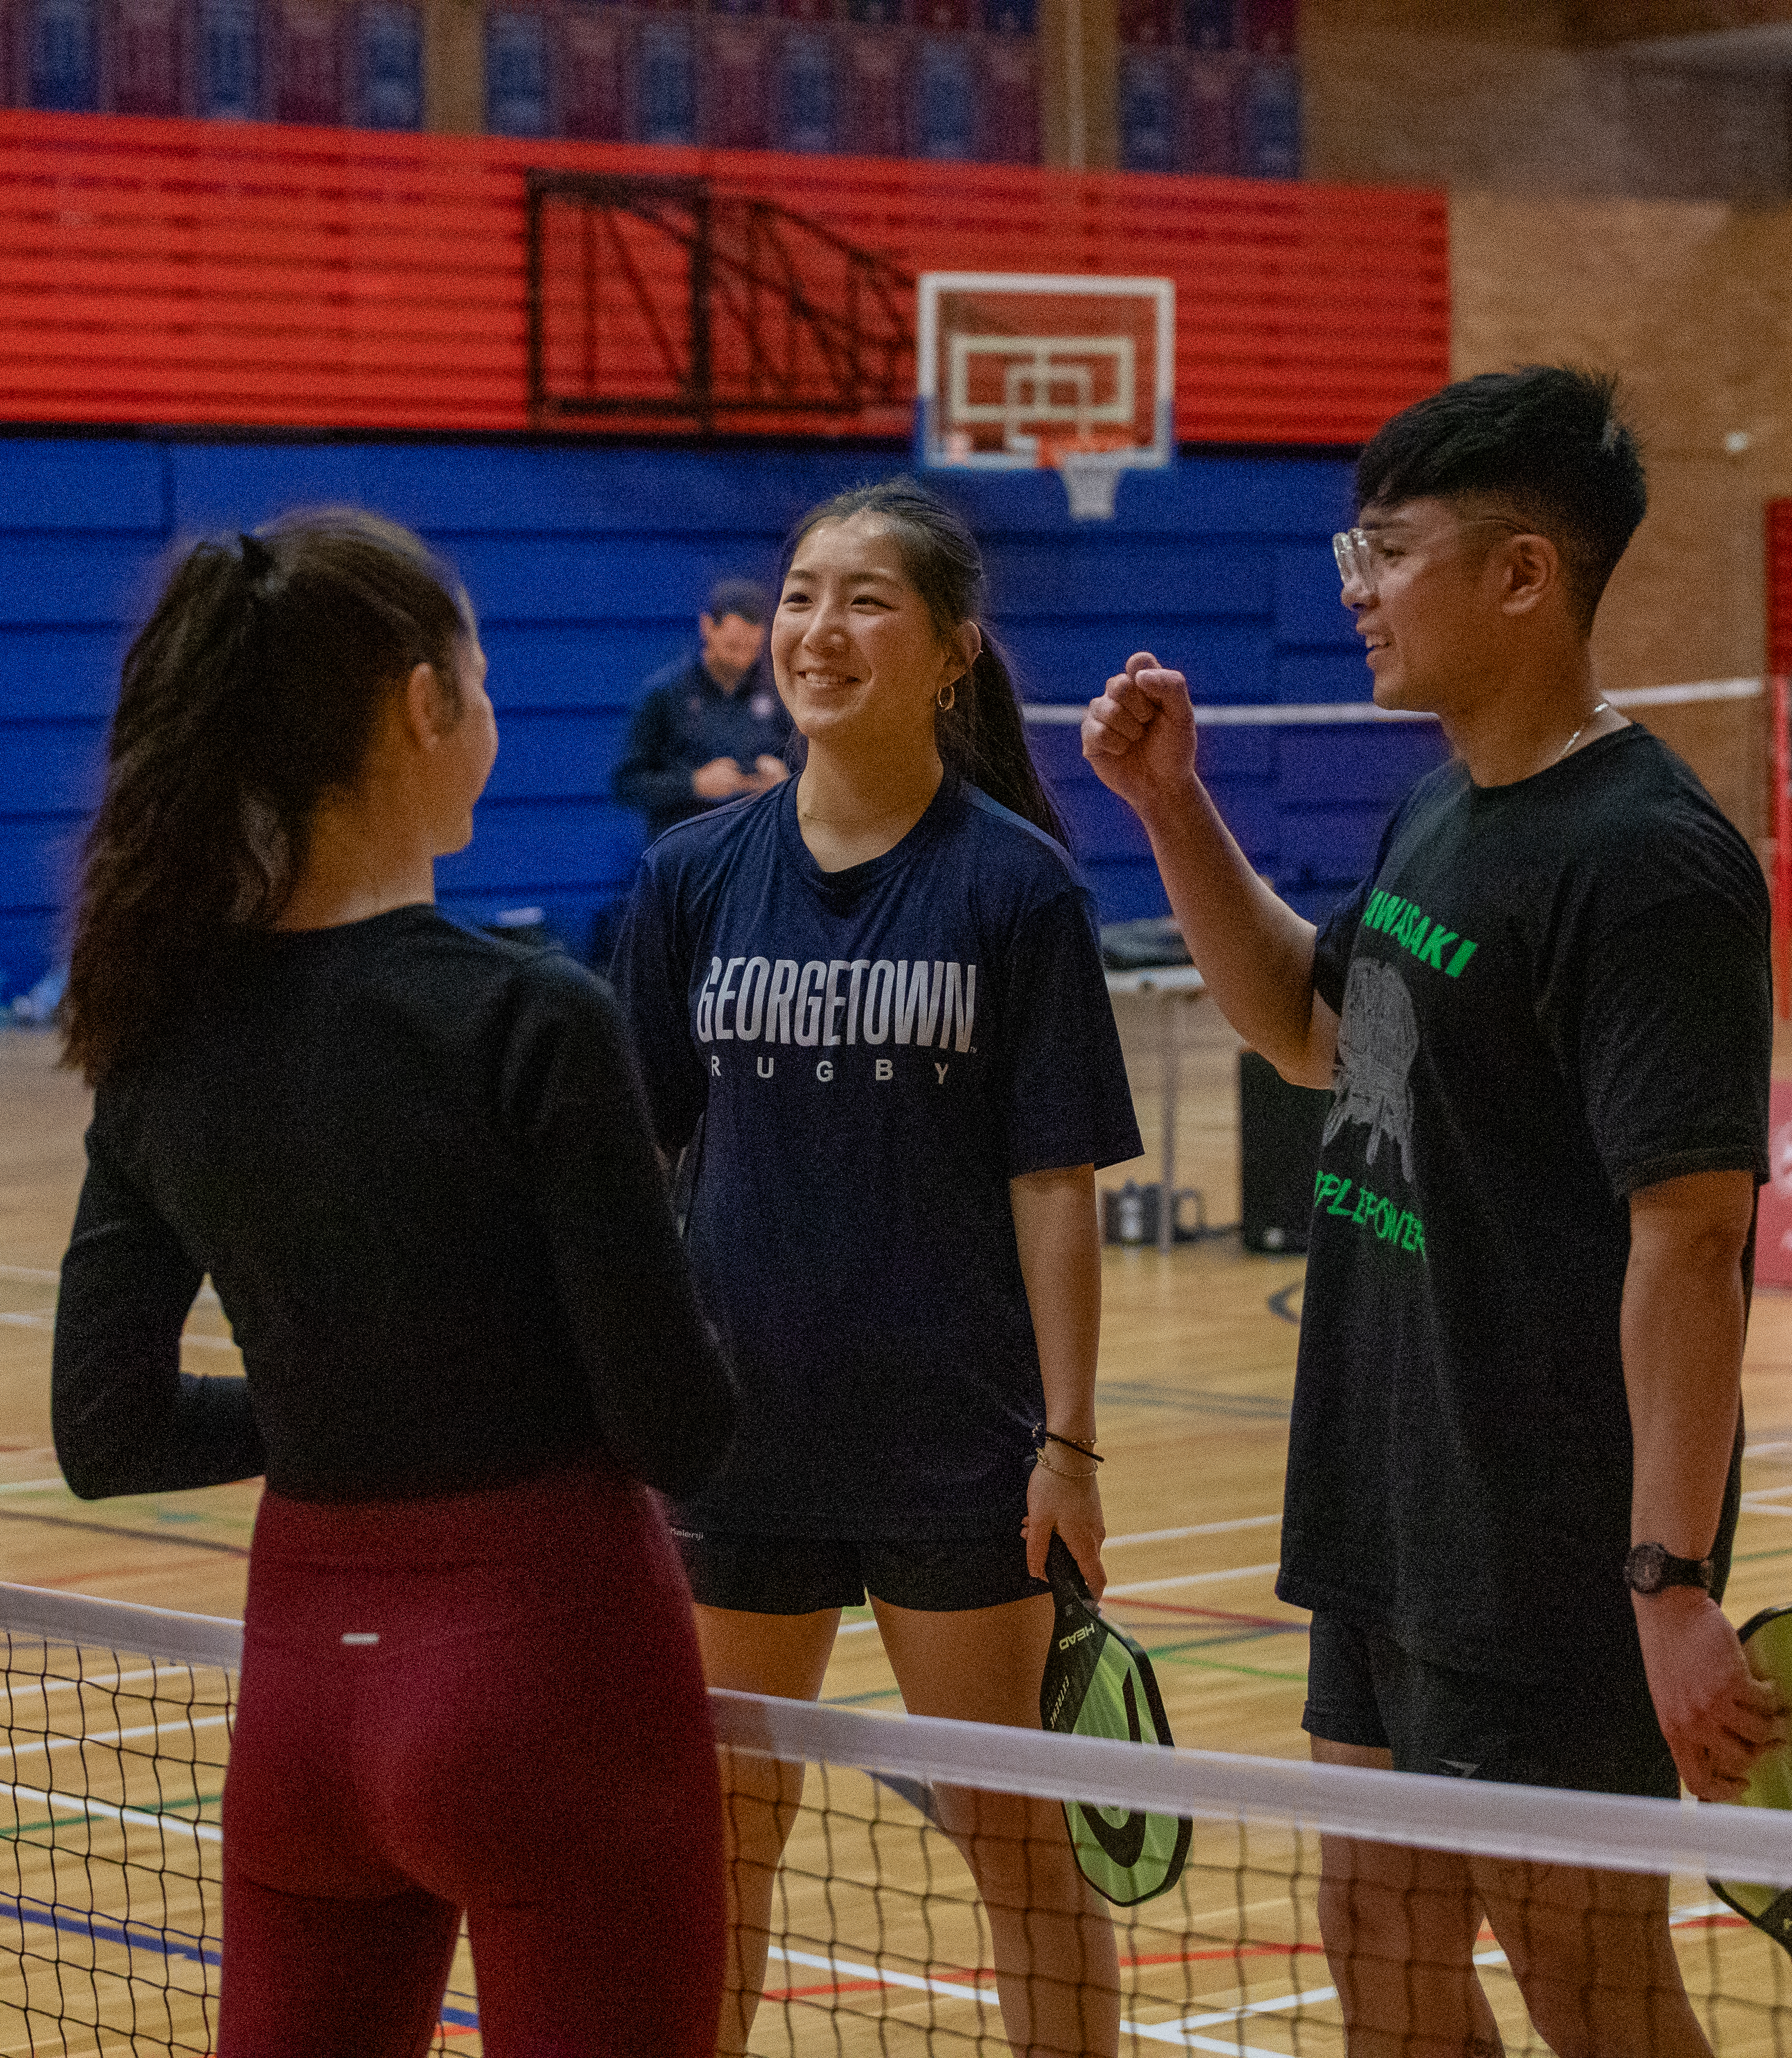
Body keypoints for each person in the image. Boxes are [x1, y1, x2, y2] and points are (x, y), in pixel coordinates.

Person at [1081, 367, 1787, 2058]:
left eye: (1387, 553)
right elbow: (1318, 1036)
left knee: (1590, 1985)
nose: (1355, 588)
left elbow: (1693, 1235)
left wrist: (1672, 1573)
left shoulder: (1651, 862)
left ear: (1523, 576)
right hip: (1387, 1486)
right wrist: (1174, 811)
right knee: (1381, 1933)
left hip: (1545, 1526)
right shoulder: (1448, 805)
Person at [50, 509, 739, 2055]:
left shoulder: (158, 1043)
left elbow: (110, 1431)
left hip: (305, 1702)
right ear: (426, 705)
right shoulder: (531, 1018)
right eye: (481, 684)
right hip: (553, 1676)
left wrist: (319, 1401)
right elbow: (669, 1425)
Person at [616, 478, 1141, 2058]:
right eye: (799, 594)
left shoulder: (1016, 889)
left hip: (955, 1448)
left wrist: (1069, 1440)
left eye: (863, 600)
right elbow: (636, 1166)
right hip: (738, 1437)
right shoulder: (694, 877)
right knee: (717, 1848)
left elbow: (1054, 1185)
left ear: (951, 652)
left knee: (1014, 1847)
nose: (817, 629)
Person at [611, 576, 795, 839]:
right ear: (708, 627)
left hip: (758, 845)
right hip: (687, 847)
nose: (743, 657)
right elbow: (627, 783)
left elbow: (813, 770)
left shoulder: (778, 694)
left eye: (751, 648)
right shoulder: (665, 695)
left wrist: (786, 781)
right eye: (733, 646)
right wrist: (694, 783)